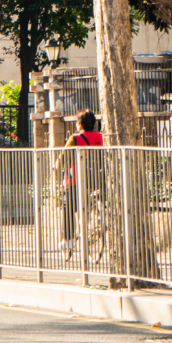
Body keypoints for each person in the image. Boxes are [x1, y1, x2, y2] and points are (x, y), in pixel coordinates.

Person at [60, 109, 104, 256]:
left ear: (79, 124)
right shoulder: (101, 137)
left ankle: (68, 240)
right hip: (97, 180)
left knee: (68, 208)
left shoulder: (75, 138)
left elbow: (63, 157)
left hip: (77, 181)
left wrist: (56, 166)